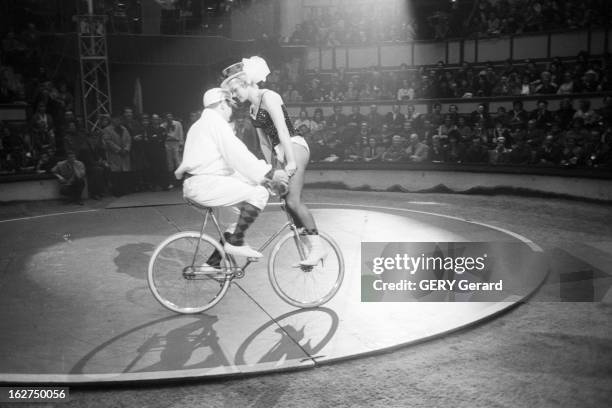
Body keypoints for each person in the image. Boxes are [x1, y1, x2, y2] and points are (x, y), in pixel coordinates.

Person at [221, 56, 327, 266]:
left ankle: (318, 248)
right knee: (286, 205)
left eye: (235, 90)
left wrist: (290, 162)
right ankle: (308, 245)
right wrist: (271, 171)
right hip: (280, 152)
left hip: (294, 145)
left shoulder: (269, 96)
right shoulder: (252, 110)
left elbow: (282, 130)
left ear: (246, 83)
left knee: (293, 201)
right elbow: (264, 145)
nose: (234, 95)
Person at [174, 88, 288, 259]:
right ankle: (236, 243)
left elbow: (226, 166)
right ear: (221, 104)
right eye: (229, 105)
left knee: (234, 224)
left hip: (203, 183)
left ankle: (212, 264)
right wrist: (268, 174)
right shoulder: (216, 123)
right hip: (205, 185)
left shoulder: (200, 124)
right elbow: (237, 154)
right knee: (259, 194)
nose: (232, 110)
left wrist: (262, 179)